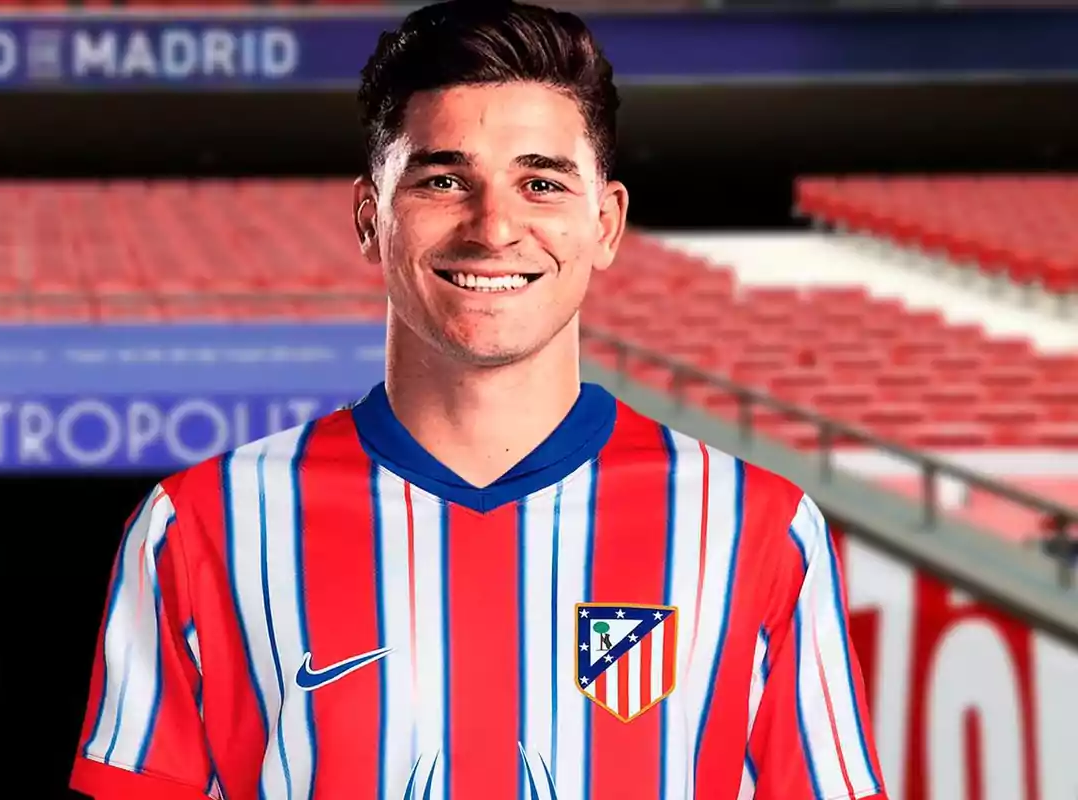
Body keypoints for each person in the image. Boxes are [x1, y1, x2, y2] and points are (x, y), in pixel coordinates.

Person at [69, 2, 887, 798]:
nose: (494, 227)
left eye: (542, 184)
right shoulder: (206, 523)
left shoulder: (754, 527)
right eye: (444, 179)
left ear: (605, 223)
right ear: (369, 216)